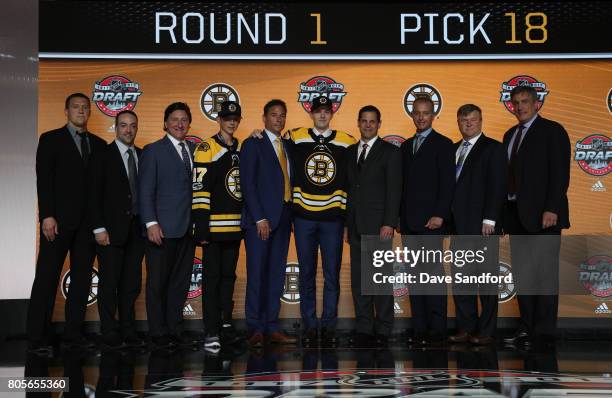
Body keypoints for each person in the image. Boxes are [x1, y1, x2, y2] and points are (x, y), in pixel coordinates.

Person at [27, 92, 106, 352]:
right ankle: (37, 339)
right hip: (57, 223)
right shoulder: (50, 139)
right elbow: (44, 181)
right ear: (66, 111)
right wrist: (46, 216)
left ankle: (73, 336)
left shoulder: (99, 144)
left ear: (90, 112)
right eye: (75, 107)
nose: (81, 111)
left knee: (81, 281)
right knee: (47, 279)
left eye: (85, 107)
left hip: (87, 226)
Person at [501, 85, 570, 348]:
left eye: (525, 101)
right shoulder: (509, 135)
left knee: (545, 277)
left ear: (537, 103)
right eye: (516, 102)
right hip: (517, 217)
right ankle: (527, 329)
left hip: (545, 217)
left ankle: (543, 334)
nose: (520, 107)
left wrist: (551, 208)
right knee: (525, 276)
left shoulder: (553, 131)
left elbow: (560, 174)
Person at [289, 96, 356, 346]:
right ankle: (309, 325)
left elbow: (352, 181)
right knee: (306, 274)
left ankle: (328, 326)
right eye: (318, 111)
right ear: (311, 113)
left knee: (331, 275)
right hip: (304, 217)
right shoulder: (294, 137)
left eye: (327, 111)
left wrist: (348, 219)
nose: (322, 115)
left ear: (332, 113)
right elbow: (274, 152)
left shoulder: (347, 141)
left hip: (332, 219)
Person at [139, 102, 197, 348]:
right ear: (165, 123)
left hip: (188, 228)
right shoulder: (153, 150)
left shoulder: (196, 150)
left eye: (184, 119)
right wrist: (151, 223)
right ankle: (157, 332)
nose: (179, 124)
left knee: (180, 283)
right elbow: (145, 191)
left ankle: (175, 329)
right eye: (174, 119)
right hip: (161, 229)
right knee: (157, 283)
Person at [448, 104, 506, 345]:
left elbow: (498, 186)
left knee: (486, 281)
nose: (468, 124)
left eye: (472, 119)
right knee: (461, 280)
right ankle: (466, 327)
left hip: (484, 227)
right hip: (458, 226)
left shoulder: (493, 148)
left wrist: (490, 218)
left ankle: (486, 330)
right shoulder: (452, 149)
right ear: (458, 122)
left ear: (481, 121)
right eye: (463, 120)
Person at [399, 96, 455, 345]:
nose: (421, 117)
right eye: (417, 113)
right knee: (414, 276)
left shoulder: (444, 144)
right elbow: (401, 187)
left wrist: (440, 214)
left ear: (433, 115)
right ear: (412, 114)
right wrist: (399, 218)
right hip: (409, 224)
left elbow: (447, 184)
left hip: (432, 223)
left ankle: (437, 330)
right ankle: (420, 328)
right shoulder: (405, 146)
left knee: (432, 277)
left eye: (426, 113)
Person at [240, 99, 296, 347]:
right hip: (260, 221)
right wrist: (259, 217)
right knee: (257, 274)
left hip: (284, 217)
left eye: (283, 115)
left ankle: (272, 326)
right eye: (274, 115)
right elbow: (248, 184)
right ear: (264, 118)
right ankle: (255, 327)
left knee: (275, 275)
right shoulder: (253, 144)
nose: (279, 120)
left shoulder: (288, 145)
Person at [345, 105, 402, 348]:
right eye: (364, 121)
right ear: (358, 123)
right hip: (356, 225)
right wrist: (348, 225)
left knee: (379, 280)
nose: (368, 125)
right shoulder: (349, 152)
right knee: (359, 281)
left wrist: (389, 222)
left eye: (372, 121)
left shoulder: (390, 152)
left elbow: (394, 191)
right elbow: (349, 192)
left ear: (379, 124)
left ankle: (384, 327)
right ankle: (364, 327)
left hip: (380, 226)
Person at [88, 110, 145, 349]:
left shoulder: (143, 155)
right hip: (110, 230)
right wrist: (98, 228)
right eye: (123, 125)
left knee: (131, 283)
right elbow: (92, 194)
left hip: (137, 229)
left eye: (132, 126)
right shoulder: (102, 155)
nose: (128, 130)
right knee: (110, 282)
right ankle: (109, 330)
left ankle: (128, 330)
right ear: (115, 127)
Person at [192, 101, 244, 351]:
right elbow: (200, 191)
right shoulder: (206, 148)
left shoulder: (241, 148)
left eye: (235, 118)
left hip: (234, 229)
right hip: (212, 230)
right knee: (212, 280)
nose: (231, 122)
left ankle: (225, 325)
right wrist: (201, 227)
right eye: (226, 118)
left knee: (228, 279)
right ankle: (210, 330)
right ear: (219, 120)